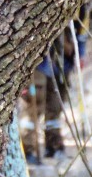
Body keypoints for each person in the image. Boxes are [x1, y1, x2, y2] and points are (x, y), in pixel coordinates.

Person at [19, 25, 84, 164]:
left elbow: (81, 33)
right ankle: (28, 149)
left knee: (54, 108)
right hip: (38, 64)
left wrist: (80, 53)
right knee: (33, 106)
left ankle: (54, 145)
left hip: (61, 64)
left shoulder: (80, 10)